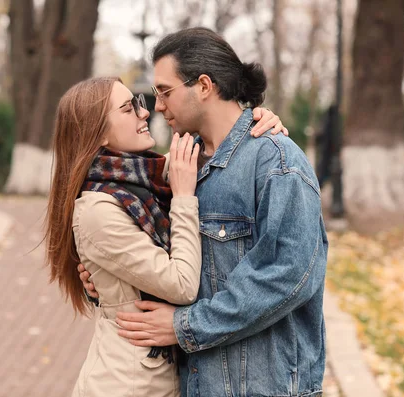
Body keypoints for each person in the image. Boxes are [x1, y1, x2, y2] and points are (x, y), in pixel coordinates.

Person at [80, 27, 328, 397]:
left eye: (165, 92)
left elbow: (289, 274)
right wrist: (107, 283)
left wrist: (186, 326)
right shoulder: (180, 167)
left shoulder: (275, 161)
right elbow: (161, 258)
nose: (156, 106)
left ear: (204, 86)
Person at [45, 76, 286, 396]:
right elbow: (182, 284)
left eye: (138, 104)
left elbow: (218, 142)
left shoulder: (147, 181)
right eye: (128, 108)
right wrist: (184, 198)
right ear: (99, 133)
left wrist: (257, 120)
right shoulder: (98, 210)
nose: (145, 113)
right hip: (129, 385)